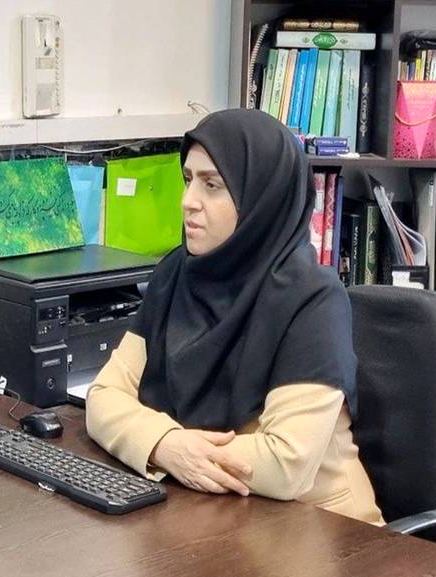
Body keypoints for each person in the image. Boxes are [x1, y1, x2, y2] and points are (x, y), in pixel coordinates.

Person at [86, 109, 383, 525]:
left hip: (323, 531)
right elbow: (103, 397)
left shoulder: (312, 298)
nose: (188, 201)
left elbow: (286, 463)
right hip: (212, 518)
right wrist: (164, 444)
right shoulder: (175, 275)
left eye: (212, 185)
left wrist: (166, 444)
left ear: (262, 197)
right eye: (188, 180)